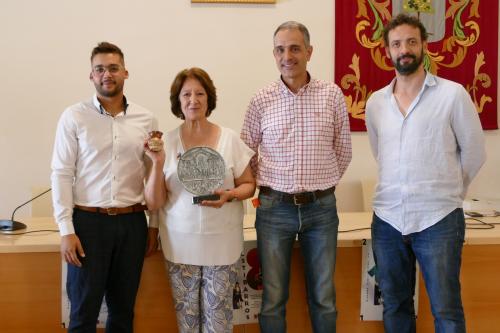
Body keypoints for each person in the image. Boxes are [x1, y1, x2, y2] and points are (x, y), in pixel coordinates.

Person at [365, 13, 486, 333]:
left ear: (424, 46)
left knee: (445, 308)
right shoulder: (376, 103)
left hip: (439, 219)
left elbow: (474, 153)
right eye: (396, 44)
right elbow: (382, 153)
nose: (404, 49)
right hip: (388, 218)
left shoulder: (452, 94)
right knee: (395, 304)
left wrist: (450, 193)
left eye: (411, 42)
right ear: (387, 51)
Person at [240, 21, 352, 333]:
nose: (287, 55)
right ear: (273, 55)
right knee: (273, 297)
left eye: (294, 48)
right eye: (280, 49)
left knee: (324, 297)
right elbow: (245, 152)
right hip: (274, 209)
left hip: (322, 210)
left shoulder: (331, 95)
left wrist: (321, 186)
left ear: (309, 52)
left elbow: (343, 149)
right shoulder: (262, 99)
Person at [51, 41, 160, 332]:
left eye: (113, 68)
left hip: (133, 223)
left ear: (126, 73)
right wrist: (66, 230)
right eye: (99, 69)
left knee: (123, 312)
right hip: (88, 224)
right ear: (91, 76)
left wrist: (153, 225)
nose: (106, 74)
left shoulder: (146, 119)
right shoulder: (74, 116)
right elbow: (61, 173)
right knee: (83, 313)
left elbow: (153, 176)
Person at [144, 67, 256, 333]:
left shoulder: (229, 139)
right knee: (188, 323)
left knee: (219, 322)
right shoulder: (165, 143)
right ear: (178, 102)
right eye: (186, 95)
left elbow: (249, 185)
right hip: (180, 245)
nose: (193, 100)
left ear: (209, 99)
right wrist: (157, 163)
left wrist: (229, 196)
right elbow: (153, 202)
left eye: (199, 93)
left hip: (222, 244)